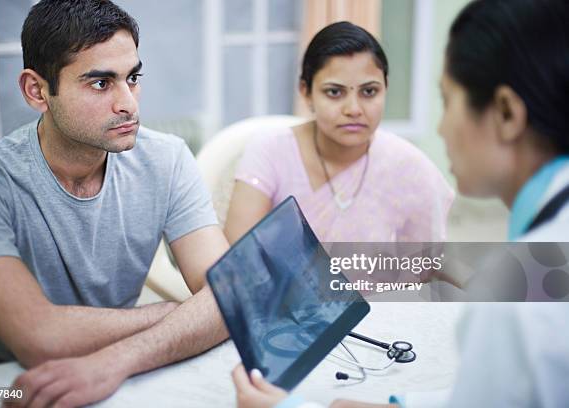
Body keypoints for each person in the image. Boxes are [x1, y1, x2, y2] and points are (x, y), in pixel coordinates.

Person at [231, 0, 569, 406]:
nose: (440, 129)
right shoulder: (539, 271)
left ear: (507, 113)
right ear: (306, 92)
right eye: (335, 91)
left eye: (446, 102)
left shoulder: (519, 303)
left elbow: (430, 261)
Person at [0, 0, 229, 406]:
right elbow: (39, 338)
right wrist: (177, 314)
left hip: (122, 366)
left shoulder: (167, 158)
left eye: (133, 78)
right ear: (37, 90)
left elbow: (232, 294)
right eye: (101, 83)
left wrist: (113, 362)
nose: (129, 104)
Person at [224, 22, 454, 244]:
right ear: (306, 93)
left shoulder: (409, 168)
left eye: (369, 91)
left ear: (385, 89)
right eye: (334, 92)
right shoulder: (269, 152)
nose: (353, 110)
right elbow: (237, 262)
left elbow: (428, 266)